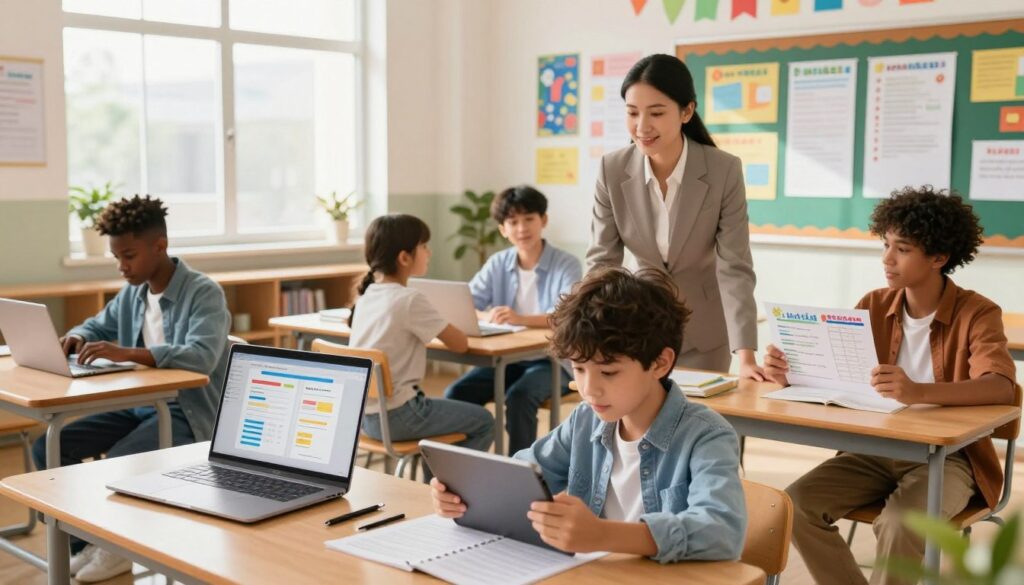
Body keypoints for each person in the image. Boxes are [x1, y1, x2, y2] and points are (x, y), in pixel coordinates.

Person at [764, 187, 1018, 585]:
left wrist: (918, 392)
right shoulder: (873, 303)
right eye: (885, 245)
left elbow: (1001, 386)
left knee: (901, 523)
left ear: (939, 257)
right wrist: (790, 375)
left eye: (902, 249)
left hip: (949, 458)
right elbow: (840, 380)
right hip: (873, 450)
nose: (887, 259)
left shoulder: (978, 312)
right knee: (795, 505)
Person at [432, 267, 747, 561]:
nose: (589, 389)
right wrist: (467, 492)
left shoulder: (706, 434)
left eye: (608, 372)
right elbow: (524, 473)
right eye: (579, 369)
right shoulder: (586, 420)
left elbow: (722, 531)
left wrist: (602, 535)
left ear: (660, 363)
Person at [33, 194, 231, 582]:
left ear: (160, 246)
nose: (122, 267)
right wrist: (75, 336)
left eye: (129, 255)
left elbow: (201, 356)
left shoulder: (203, 292)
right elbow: (96, 325)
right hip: (143, 405)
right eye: (116, 258)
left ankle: (117, 545)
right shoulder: (134, 293)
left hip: (189, 413)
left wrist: (128, 352)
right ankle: (88, 544)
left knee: (119, 463)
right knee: (52, 445)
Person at [587, 53, 762, 378]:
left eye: (656, 113)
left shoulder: (723, 170)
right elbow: (602, 262)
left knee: (705, 425)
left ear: (687, 111)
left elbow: (734, 268)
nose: (642, 126)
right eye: (632, 113)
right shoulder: (611, 169)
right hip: (637, 332)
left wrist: (747, 357)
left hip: (705, 335)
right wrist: (590, 333)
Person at [349, 214, 494, 472]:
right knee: (484, 421)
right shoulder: (410, 299)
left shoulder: (367, 296)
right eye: (424, 246)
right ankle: (451, 487)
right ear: (405, 258)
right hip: (400, 418)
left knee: (439, 420)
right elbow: (459, 344)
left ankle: (436, 484)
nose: (429, 252)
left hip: (365, 418)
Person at [444, 185, 582, 453]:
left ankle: (522, 472)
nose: (522, 228)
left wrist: (519, 318)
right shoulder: (498, 262)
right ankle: (464, 471)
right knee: (456, 394)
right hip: (506, 360)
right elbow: (467, 303)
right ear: (502, 230)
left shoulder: (567, 263)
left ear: (543, 220)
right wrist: (491, 314)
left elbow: (569, 315)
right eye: (513, 222)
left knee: (519, 397)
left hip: (553, 361)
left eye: (529, 219)